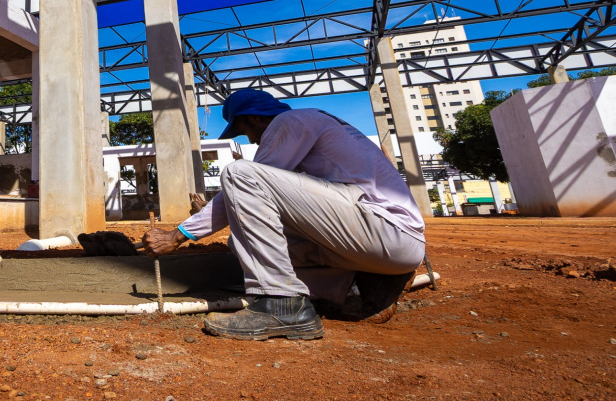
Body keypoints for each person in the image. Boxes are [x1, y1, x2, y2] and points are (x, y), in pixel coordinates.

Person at [142, 89, 426, 341]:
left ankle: (281, 304)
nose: (252, 141)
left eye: (246, 132)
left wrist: (177, 235)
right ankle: (357, 286)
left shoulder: (290, 121)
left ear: (254, 118)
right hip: (382, 246)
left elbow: (244, 186)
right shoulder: (316, 124)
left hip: (386, 232)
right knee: (242, 241)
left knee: (241, 173)